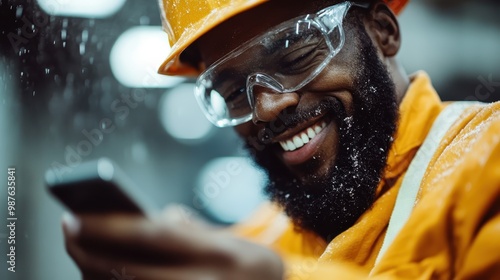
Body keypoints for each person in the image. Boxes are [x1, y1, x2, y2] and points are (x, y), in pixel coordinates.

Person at [63, 0, 500, 279]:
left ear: (383, 30)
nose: (267, 107)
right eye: (234, 93)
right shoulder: (251, 242)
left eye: (295, 56)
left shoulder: (487, 160)